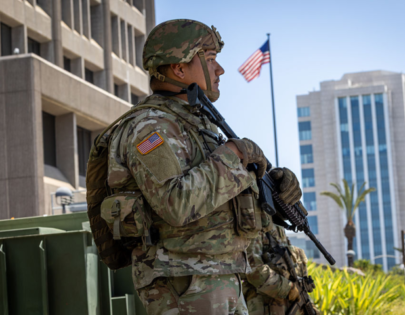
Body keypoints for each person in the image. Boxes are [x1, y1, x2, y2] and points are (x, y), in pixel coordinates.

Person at [106, 19, 304, 315]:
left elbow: (223, 204)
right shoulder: (149, 128)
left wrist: (270, 186)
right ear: (179, 68)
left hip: (221, 277)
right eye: (210, 60)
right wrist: (234, 154)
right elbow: (176, 203)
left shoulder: (197, 126)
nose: (220, 69)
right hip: (183, 284)